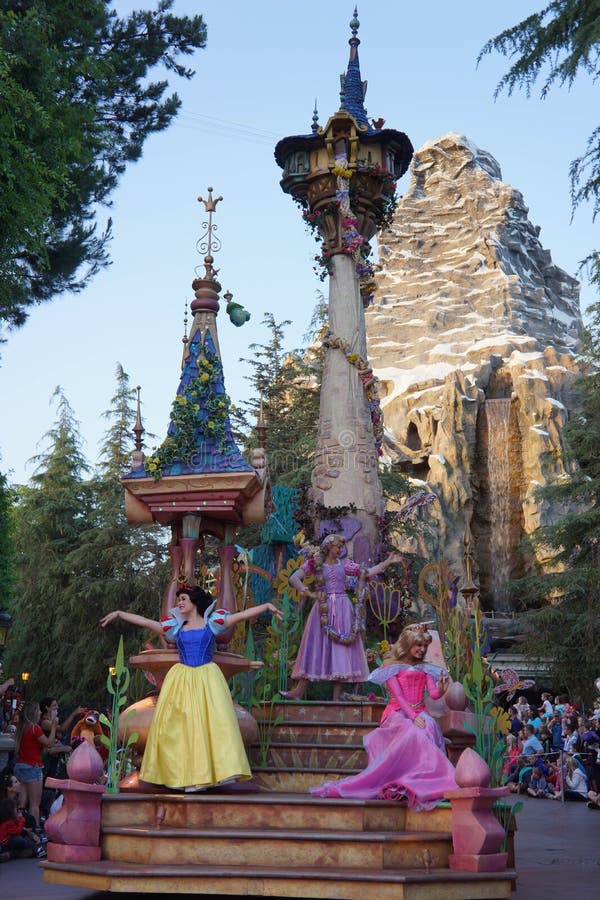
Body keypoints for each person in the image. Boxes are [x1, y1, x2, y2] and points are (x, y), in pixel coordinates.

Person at [100, 586, 282, 791]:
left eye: (183, 599)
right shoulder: (175, 628)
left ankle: (212, 775)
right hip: (182, 679)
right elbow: (146, 622)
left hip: (207, 679)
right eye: (179, 599)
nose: (179, 603)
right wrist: (119, 614)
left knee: (212, 725)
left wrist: (267, 606)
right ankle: (178, 775)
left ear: (194, 602)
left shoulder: (212, 624)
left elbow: (240, 616)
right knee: (177, 727)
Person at [310, 623, 458, 810]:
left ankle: (423, 780)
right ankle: (403, 776)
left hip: (420, 711)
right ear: (407, 644)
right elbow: (399, 696)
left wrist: (442, 689)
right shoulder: (391, 666)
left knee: (428, 727)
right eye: (418, 645)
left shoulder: (425, 668)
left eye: (424, 647)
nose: (422, 650)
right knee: (412, 732)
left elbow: (434, 694)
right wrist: (412, 716)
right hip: (397, 713)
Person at [283, 535, 402, 701]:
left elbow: (366, 572)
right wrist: (307, 591)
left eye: (341, 547)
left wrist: (386, 563)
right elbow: (294, 577)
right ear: (328, 547)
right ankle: (298, 692)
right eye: (337, 547)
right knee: (315, 646)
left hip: (342, 608)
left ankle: (336, 697)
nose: (340, 550)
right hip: (322, 608)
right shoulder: (315, 563)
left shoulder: (344, 564)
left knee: (340, 649)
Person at [13, 701, 58, 827]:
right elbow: (49, 743)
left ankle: (19, 827)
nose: (40, 712)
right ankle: (35, 829)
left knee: (22, 804)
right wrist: (54, 727)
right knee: (34, 804)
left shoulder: (22, 728)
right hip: (33, 768)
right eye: (38, 710)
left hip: (21, 767)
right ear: (33, 713)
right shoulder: (35, 728)